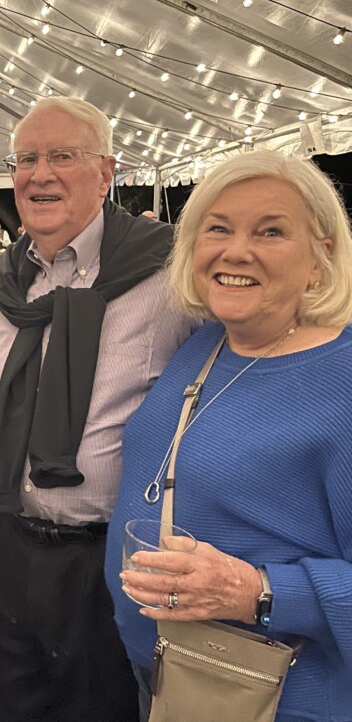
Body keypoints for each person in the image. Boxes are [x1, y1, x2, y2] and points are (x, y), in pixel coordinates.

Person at [0, 96, 198, 722]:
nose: (38, 174)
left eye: (62, 156)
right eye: (26, 159)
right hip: (10, 552)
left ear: (107, 174)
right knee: (7, 704)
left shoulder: (171, 276)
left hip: (114, 561)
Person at [107, 150, 352, 722]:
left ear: (322, 258)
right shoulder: (207, 344)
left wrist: (257, 592)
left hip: (278, 700)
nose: (236, 250)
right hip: (174, 680)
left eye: (271, 231)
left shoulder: (343, 380)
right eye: (218, 228)